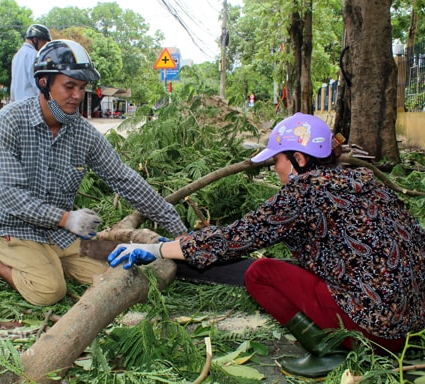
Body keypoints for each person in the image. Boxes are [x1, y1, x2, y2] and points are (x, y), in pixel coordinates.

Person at [107, 113, 425, 380]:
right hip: (410, 320)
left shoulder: (303, 193)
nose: (275, 168)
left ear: (299, 159)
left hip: (374, 329)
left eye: (277, 160)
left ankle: (329, 350)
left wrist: (157, 250)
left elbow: (233, 239)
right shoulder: (363, 181)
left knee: (260, 273)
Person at [0, 39, 187, 306]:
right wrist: (66, 218)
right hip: (12, 229)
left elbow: (124, 179)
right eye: (69, 86)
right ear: (44, 83)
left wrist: (179, 230)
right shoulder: (10, 122)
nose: (77, 96)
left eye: (82, 87)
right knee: (49, 292)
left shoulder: (83, 134)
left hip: (59, 234)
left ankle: (56, 259)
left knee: (114, 275)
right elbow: (10, 195)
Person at [10, 24, 51, 102]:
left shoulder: (17, 55)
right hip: (30, 104)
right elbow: (36, 83)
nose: (43, 46)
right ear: (35, 40)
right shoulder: (34, 55)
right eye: (44, 42)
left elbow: (13, 85)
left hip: (17, 104)